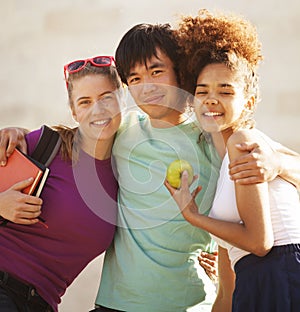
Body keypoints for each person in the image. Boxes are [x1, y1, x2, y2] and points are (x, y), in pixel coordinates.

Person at [1, 23, 300, 312]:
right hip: (115, 303)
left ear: (180, 72)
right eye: (135, 79)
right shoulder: (122, 129)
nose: (147, 88)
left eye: (157, 72)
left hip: (189, 302)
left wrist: (277, 161)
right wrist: (19, 134)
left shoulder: (214, 136)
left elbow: (277, 167)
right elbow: (82, 127)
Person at [166, 9, 300, 311]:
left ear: (248, 101)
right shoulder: (224, 163)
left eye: (225, 91)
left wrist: (193, 216)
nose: (212, 99)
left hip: (280, 276)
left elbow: (258, 243)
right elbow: (226, 293)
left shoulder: (244, 142)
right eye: (203, 91)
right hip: (255, 283)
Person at [0, 55, 123, 311]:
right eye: (85, 102)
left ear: (123, 98)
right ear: (74, 111)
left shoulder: (128, 172)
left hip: (42, 304)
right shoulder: (41, 146)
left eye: (106, 97)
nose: (97, 109)